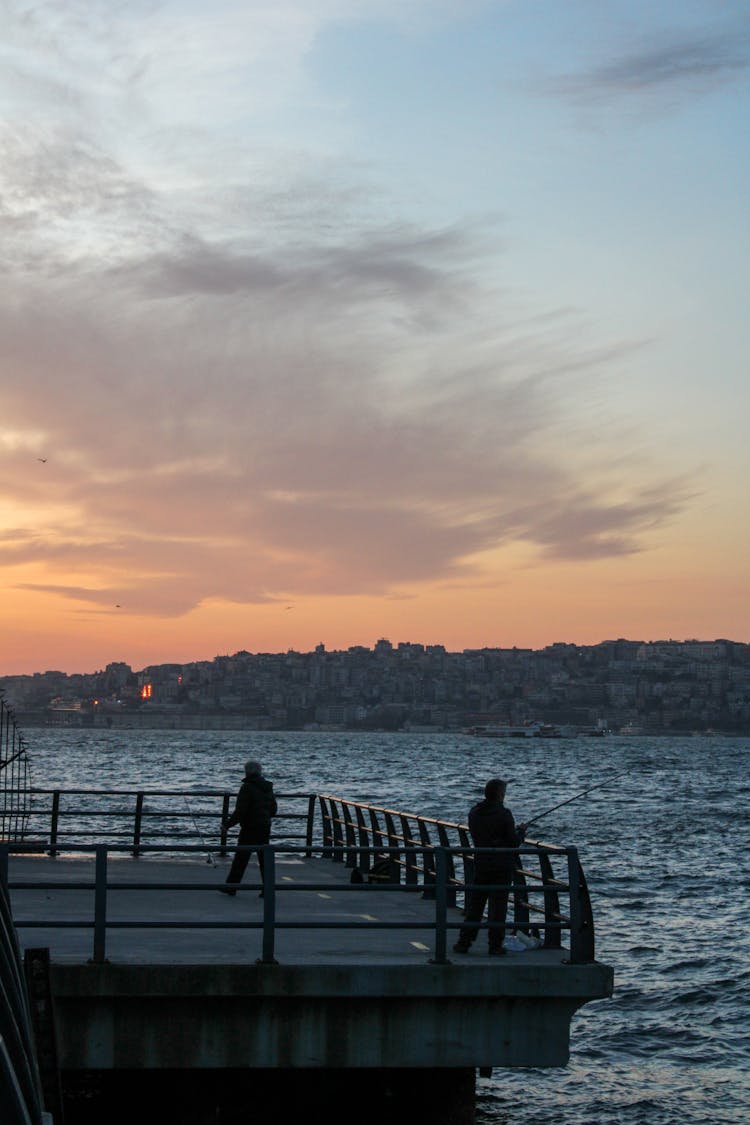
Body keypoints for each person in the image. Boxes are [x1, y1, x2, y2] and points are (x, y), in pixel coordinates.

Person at [453, 777, 525, 956]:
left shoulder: (474, 812)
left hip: (481, 863)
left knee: (475, 906)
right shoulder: (504, 814)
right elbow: (513, 842)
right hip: (501, 866)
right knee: (498, 907)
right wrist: (521, 833)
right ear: (500, 794)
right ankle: (495, 945)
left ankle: (464, 942)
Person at [220, 760, 278, 896]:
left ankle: (231, 887)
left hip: (250, 827)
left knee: (241, 858)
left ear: (247, 771)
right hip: (264, 826)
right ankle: (268, 889)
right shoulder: (268, 787)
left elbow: (241, 811)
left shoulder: (247, 787)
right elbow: (274, 809)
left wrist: (227, 825)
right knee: (264, 860)